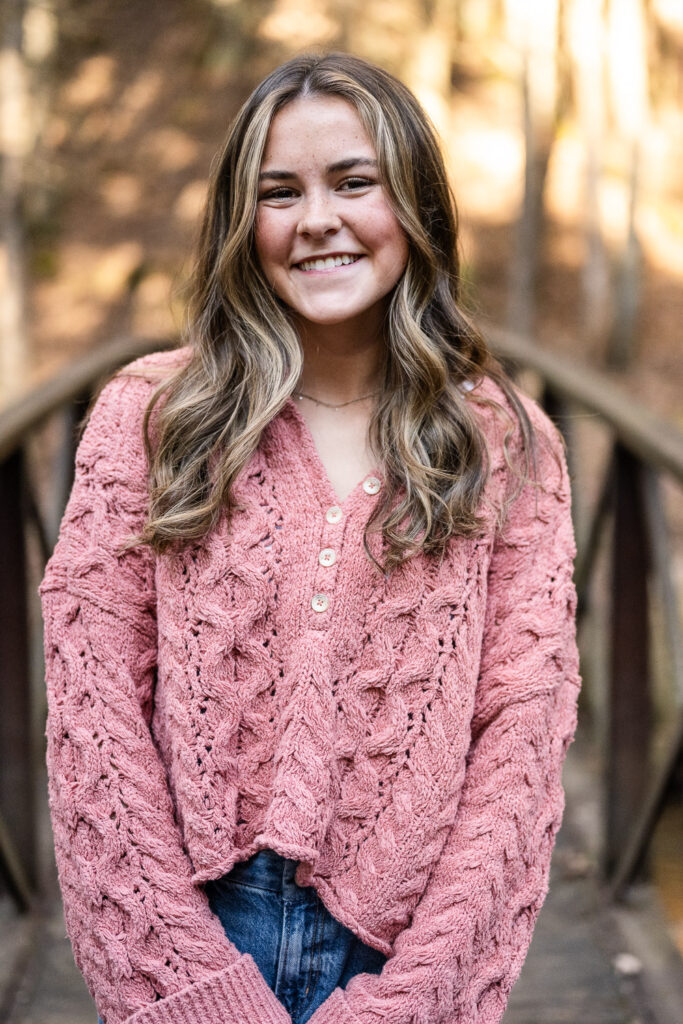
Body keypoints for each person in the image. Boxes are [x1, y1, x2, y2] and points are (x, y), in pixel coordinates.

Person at [40, 52, 581, 1024]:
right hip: (194, 926)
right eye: (277, 192)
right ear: (240, 224)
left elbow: (524, 742)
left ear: (412, 202)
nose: (316, 219)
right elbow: (92, 712)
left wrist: (418, 994)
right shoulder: (152, 417)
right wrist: (184, 982)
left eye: (353, 181)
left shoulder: (504, 442)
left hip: (405, 946)